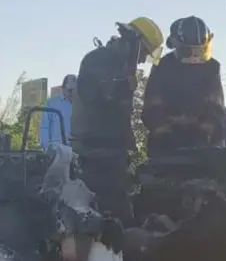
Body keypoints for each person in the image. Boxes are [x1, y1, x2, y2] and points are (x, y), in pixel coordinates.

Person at [69, 17, 164, 221]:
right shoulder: (98, 60)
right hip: (95, 151)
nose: (142, 60)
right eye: (144, 53)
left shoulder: (122, 65)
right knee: (110, 212)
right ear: (134, 41)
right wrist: (122, 87)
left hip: (113, 150)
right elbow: (94, 98)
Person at [141, 16, 225, 157]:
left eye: (198, 50)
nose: (194, 56)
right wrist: (163, 131)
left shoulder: (212, 68)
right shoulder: (163, 66)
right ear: (176, 44)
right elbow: (152, 106)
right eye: (189, 50)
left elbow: (216, 106)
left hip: (205, 143)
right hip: (166, 144)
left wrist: (206, 129)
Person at [38, 74, 77, 149]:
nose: (71, 93)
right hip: (57, 149)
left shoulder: (80, 105)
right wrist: (47, 148)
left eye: (74, 90)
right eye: (70, 90)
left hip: (76, 150)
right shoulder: (51, 104)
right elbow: (45, 126)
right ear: (63, 88)